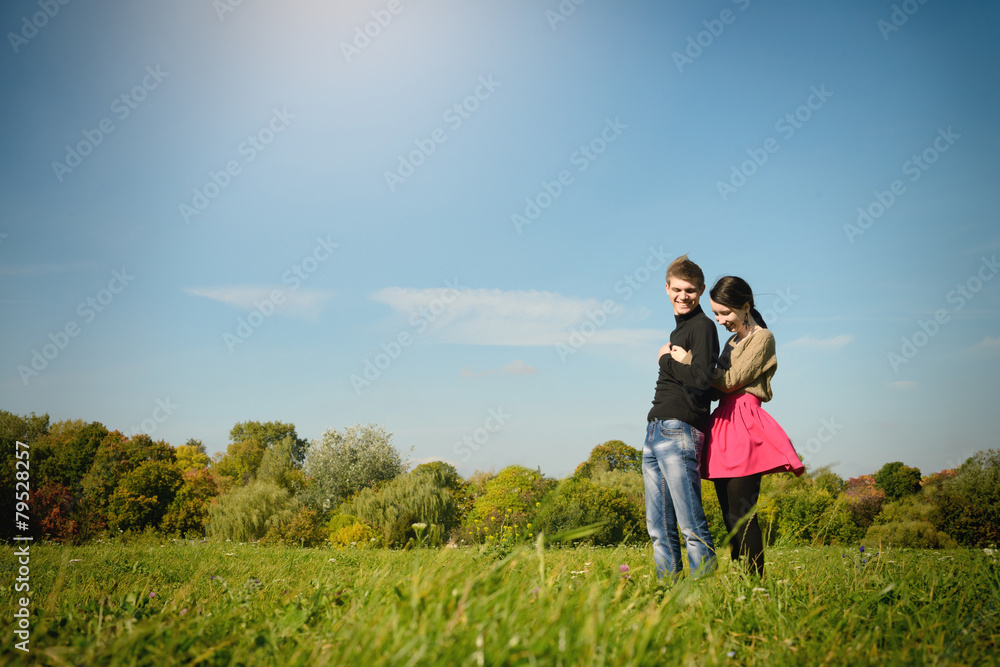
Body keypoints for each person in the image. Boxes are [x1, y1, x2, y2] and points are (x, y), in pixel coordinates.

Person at [704, 276, 804, 578]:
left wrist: (696, 367)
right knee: (729, 513)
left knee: (742, 513)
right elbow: (716, 386)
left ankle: (755, 580)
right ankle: (740, 577)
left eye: (725, 313)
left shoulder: (763, 337)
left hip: (745, 422)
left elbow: (730, 380)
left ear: (745, 306)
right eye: (716, 314)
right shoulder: (732, 341)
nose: (720, 321)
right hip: (722, 422)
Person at [643, 254, 719, 580]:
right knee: (659, 528)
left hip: (680, 429)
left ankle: (705, 599)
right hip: (655, 429)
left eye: (690, 290)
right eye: (677, 289)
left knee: (690, 525)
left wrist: (664, 360)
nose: (683, 296)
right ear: (666, 288)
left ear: (701, 290)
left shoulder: (703, 327)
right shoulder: (679, 332)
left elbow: (704, 381)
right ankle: (668, 597)